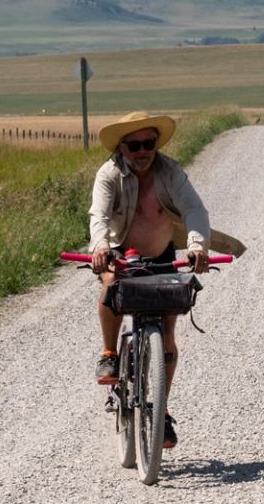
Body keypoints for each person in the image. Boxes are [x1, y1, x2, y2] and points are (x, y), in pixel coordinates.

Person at [88, 111, 211, 449]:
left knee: (168, 333)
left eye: (149, 143)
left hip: (161, 256)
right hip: (119, 255)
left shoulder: (170, 172)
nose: (143, 151)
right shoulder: (109, 174)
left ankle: (161, 409)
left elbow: (194, 210)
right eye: (135, 145)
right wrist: (100, 246)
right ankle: (109, 352)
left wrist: (197, 246)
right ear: (122, 147)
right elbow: (99, 215)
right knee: (110, 284)